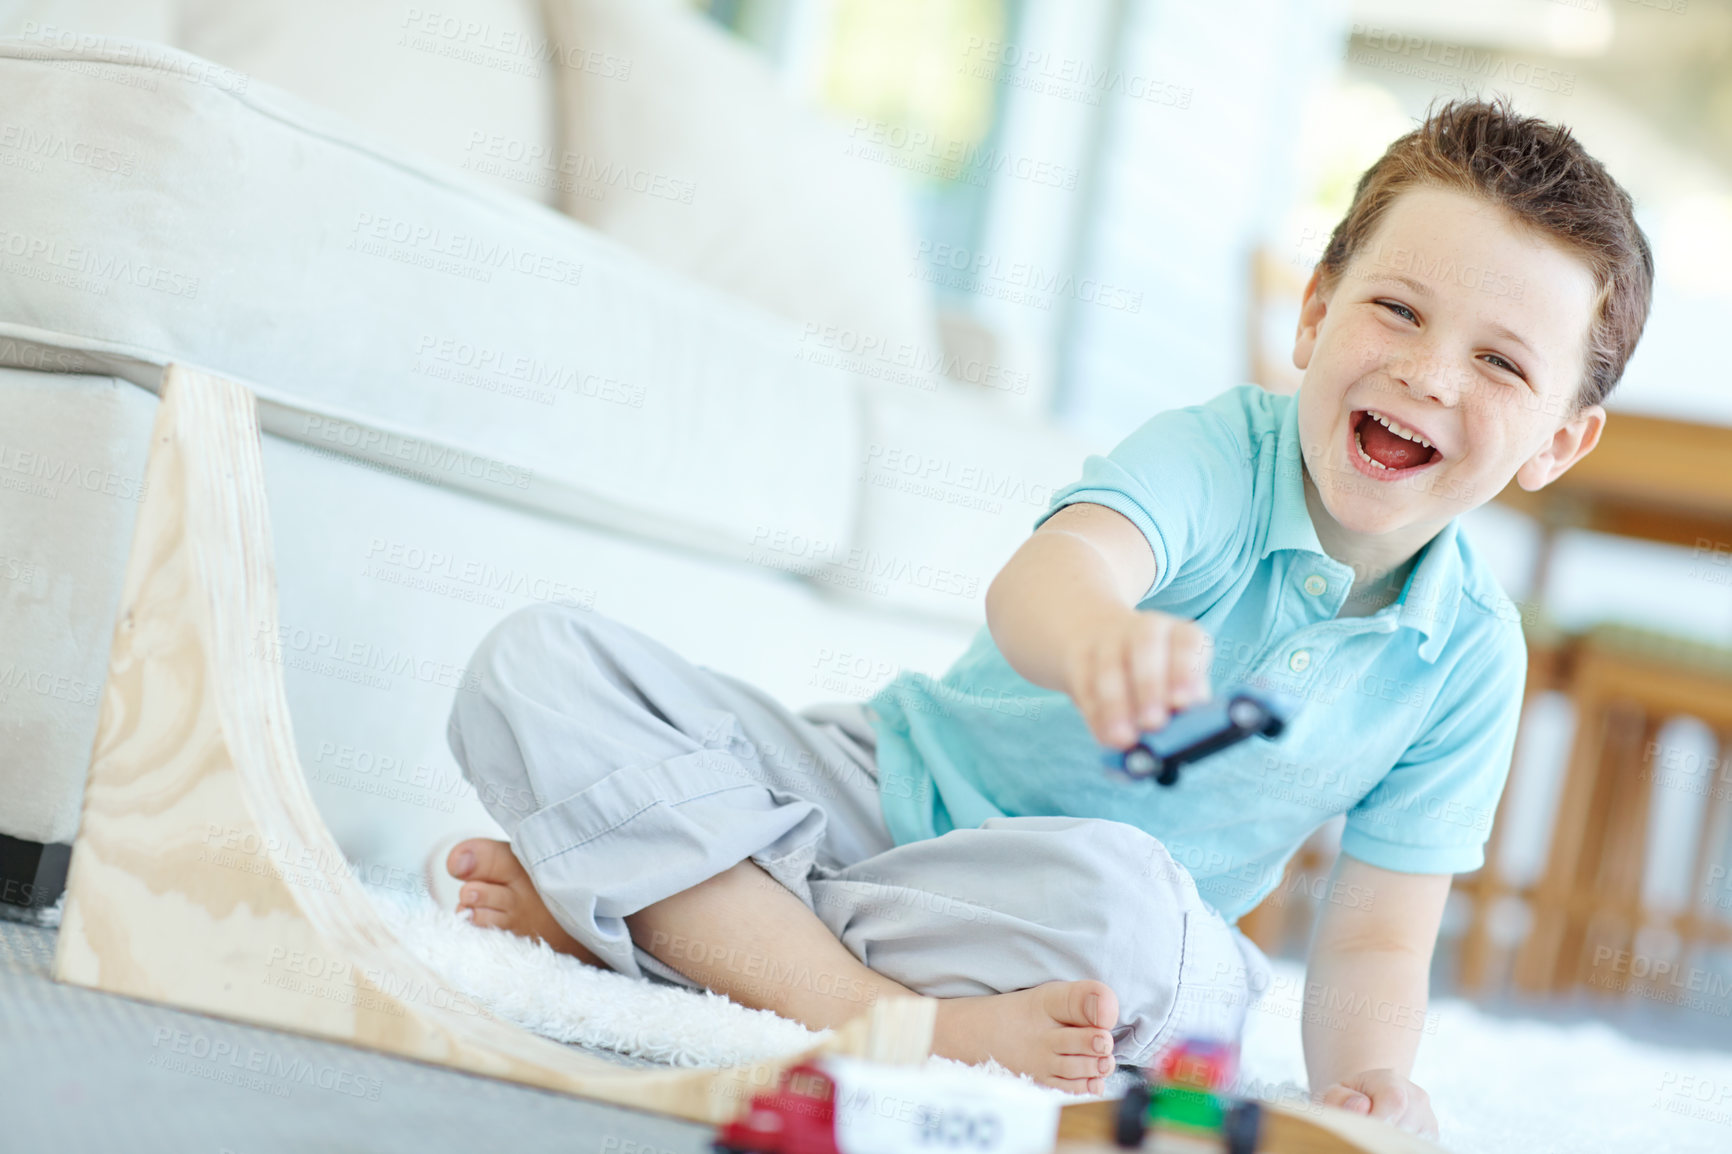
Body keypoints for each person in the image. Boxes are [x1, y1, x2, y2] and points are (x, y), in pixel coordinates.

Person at [439, 97, 1652, 1138]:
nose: (1428, 374)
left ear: (1559, 439)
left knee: (1164, 959)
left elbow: (1382, 933)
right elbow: (1045, 579)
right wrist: (1095, 637)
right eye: (1396, 310)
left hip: (1064, 918)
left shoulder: (1469, 657)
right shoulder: (1216, 455)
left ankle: (676, 914)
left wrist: (1366, 1080)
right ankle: (869, 1009)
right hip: (875, 797)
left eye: (1500, 364)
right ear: (1314, 314)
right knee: (534, 663)